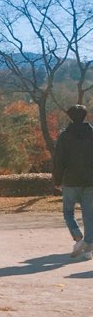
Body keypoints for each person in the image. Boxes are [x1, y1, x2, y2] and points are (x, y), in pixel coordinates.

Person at [52, 104, 93, 259]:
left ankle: (78, 238)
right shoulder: (92, 133)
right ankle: (88, 248)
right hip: (90, 180)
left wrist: (57, 179)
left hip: (70, 180)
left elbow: (59, 160)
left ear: (69, 116)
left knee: (68, 212)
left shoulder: (64, 136)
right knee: (89, 214)